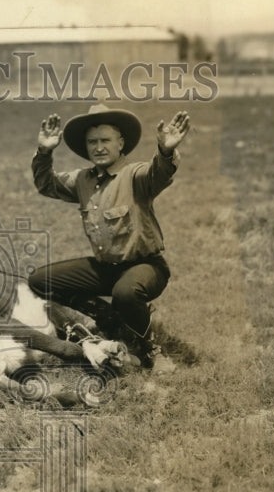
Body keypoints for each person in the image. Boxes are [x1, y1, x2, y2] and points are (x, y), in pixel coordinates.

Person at [28, 103, 190, 369]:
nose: (99, 147)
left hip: (146, 267)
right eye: (92, 142)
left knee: (125, 293)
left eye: (106, 140)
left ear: (120, 143)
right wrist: (44, 152)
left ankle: (152, 350)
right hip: (106, 269)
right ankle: (106, 317)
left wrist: (166, 150)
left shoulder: (135, 174)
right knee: (39, 280)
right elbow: (47, 185)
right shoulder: (82, 180)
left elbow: (158, 172)